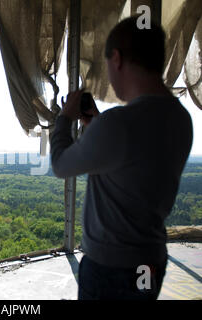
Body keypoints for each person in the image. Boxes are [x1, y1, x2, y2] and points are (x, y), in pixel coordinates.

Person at [50, 16, 193, 300]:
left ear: (116, 58)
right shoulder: (181, 119)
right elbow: (131, 158)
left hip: (110, 266)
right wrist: (96, 126)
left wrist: (65, 119)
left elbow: (60, 164)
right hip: (151, 260)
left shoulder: (118, 123)